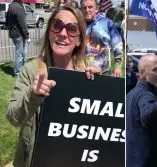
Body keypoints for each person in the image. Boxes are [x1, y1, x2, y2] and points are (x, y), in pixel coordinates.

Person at [7, 6, 101, 167]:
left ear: (79, 40)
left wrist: (99, 88)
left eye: (71, 29)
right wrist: (32, 95)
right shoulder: (31, 70)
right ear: (50, 32)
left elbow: (100, 131)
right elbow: (13, 117)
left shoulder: (85, 76)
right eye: (57, 26)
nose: (63, 34)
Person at [126, 54, 157, 167]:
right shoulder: (144, 95)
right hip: (147, 161)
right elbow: (147, 116)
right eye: (156, 69)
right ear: (142, 73)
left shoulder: (132, 94)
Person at [81, 0, 123, 77]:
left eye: (90, 7)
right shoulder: (77, 23)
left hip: (104, 72)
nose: (87, 10)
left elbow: (117, 45)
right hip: (82, 71)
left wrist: (118, 66)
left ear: (96, 9)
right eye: (84, 7)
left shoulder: (107, 23)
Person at [6, 0, 30, 76]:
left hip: (14, 33)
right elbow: (22, 24)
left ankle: (22, 70)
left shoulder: (11, 5)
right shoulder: (18, 7)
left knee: (22, 53)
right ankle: (18, 72)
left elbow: (7, 20)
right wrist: (27, 36)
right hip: (19, 34)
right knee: (19, 54)